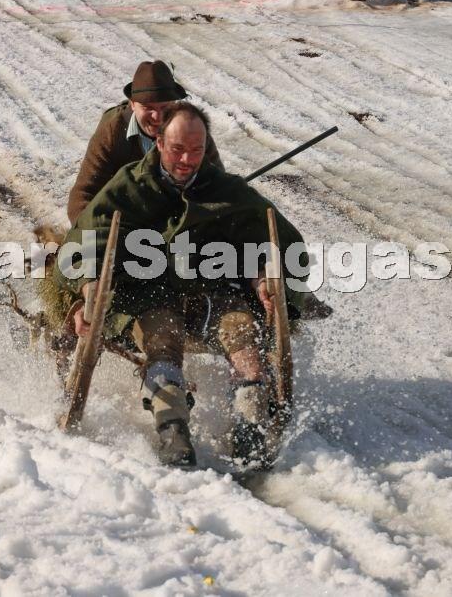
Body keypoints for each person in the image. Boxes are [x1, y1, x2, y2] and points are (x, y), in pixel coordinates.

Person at [54, 102, 308, 468]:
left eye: (196, 150)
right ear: (159, 143)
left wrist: (264, 278)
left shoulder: (226, 190)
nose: (187, 159)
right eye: (177, 149)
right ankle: (172, 430)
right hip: (147, 295)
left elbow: (278, 245)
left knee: (244, 340)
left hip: (215, 294)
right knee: (163, 343)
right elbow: (84, 244)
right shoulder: (129, 187)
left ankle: (249, 430)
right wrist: (88, 289)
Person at [66, 60, 222, 226]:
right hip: (126, 220)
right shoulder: (112, 132)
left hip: (180, 219)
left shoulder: (193, 130)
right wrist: (93, 233)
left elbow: (219, 188)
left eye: (164, 107)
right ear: (132, 104)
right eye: (148, 107)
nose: (157, 117)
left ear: (175, 105)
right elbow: (84, 195)